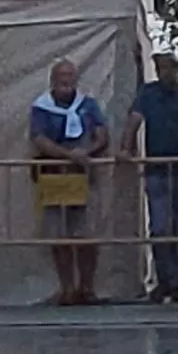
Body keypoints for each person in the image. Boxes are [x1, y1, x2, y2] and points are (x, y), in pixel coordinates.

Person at [126, 52, 178, 303]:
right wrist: (125, 148)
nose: (165, 72)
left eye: (169, 67)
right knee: (160, 226)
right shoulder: (149, 93)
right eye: (160, 67)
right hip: (157, 167)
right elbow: (134, 119)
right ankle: (165, 280)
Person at [30, 59, 113, 305]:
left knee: (85, 233)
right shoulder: (42, 107)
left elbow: (102, 133)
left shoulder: (87, 105)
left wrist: (88, 150)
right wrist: (68, 155)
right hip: (54, 174)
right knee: (59, 234)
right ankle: (66, 288)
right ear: (53, 80)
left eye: (70, 76)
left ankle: (87, 287)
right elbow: (38, 138)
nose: (66, 81)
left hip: (82, 175)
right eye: (61, 76)